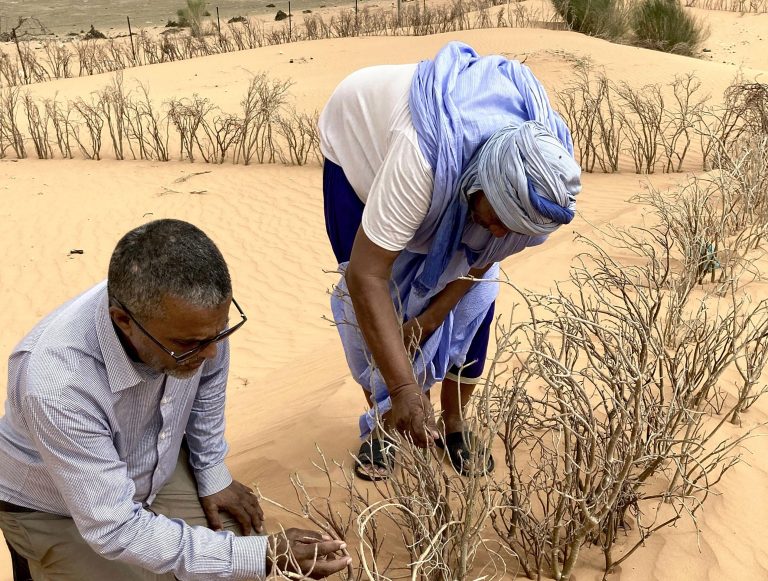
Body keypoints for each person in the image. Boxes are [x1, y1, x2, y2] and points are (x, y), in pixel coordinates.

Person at [0, 219, 351, 580]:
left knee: (235, 555)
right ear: (123, 321)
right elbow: (115, 529)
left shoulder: (194, 323)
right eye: (191, 344)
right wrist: (261, 554)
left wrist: (212, 472)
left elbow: (207, 392)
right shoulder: (57, 385)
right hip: (58, 507)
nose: (213, 352)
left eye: (220, 333)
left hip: (153, 466)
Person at [319, 41, 582, 480]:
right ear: (478, 182)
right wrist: (404, 387)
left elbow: (481, 264)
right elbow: (369, 274)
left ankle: (455, 421)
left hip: (455, 172)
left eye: (512, 230)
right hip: (359, 150)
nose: (499, 234)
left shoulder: (542, 200)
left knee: (473, 311)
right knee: (379, 310)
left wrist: (433, 316)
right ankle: (389, 424)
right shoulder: (419, 163)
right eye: (497, 219)